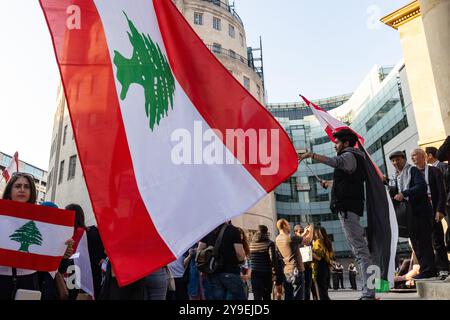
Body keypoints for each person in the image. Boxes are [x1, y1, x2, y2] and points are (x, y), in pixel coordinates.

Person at [299, 129, 375, 300]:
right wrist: (331, 183)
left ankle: (369, 293)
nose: (335, 146)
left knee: (361, 251)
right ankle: (368, 292)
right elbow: (348, 180)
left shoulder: (348, 155)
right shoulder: (354, 157)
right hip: (349, 209)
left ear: (346, 143)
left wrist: (311, 154)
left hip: (348, 209)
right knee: (360, 251)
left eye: (337, 143)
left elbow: (336, 162)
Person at [0, 172, 73, 300]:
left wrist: (62, 253)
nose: (22, 189)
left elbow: (52, 260)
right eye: (18, 186)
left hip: (29, 281)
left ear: (32, 191)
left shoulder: (42, 222)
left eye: (26, 186)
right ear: (10, 190)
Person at [389, 150, 437, 280]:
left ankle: (429, 270)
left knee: (424, 242)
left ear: (404, 159)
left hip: (420, 212)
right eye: (393, 161)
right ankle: (425, 269)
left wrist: (404, 193)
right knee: (416, 244)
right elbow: (394, 192)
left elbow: (421, 187)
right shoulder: (395, 176)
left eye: (398, 159)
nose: (395, 163)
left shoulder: (412, 171)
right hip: (409, 215)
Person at [411, 149, 449, 280]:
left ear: (423, 156)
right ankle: (429, 269)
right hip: (420, 213)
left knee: (438, 239)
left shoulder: (434, 171)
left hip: (433, 210)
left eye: (414, 156)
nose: (412, 159)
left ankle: (443, 268)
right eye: (411, 157)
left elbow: (441, 192)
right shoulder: (412, 173)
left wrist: (440, 209)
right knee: (424, 243)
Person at [197, 222, 247, 300]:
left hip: (212, 272)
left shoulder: (207, 231)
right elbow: (240, 255)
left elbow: (199, 251)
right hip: (231, 272)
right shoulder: (233, 230)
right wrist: (242, 260)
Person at [275, 219, 313, 300]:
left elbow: (294, 241)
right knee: (298, 295)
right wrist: (311, 230)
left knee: (288, 295)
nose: (289, 226)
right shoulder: (291, 237)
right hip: (296, 270)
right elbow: (308, 240)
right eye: (288, 224)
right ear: (284, 226)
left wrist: (304, 233)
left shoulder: (277, 238)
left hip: (286, 271)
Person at [249, 225, 277, 300]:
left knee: (257, 296)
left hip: (254, 273)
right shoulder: (269, 243)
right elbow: (272, 260)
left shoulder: (251, 244)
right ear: (266, 233)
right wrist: (274, 273)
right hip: (266, 273)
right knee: (267, 296)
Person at [312, 227, 334, 300]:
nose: (315, 234)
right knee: (325, 288)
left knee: (321, 290)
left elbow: (319, 256)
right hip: (326, 267)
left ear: (317, 234)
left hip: (319, 267)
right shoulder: (328, 242)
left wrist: (311, 252)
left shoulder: (317, 242)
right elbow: (330, 256)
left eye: (315, 233)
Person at [294, 225, 313, 300]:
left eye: (303, 230)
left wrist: (309, 232)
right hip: (298, 268)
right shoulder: (293, 240)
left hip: (307, 266)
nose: (302, 232)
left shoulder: (306, 240)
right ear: (295, 232)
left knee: (307, 288)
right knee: (299, 288)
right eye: (300, 231)